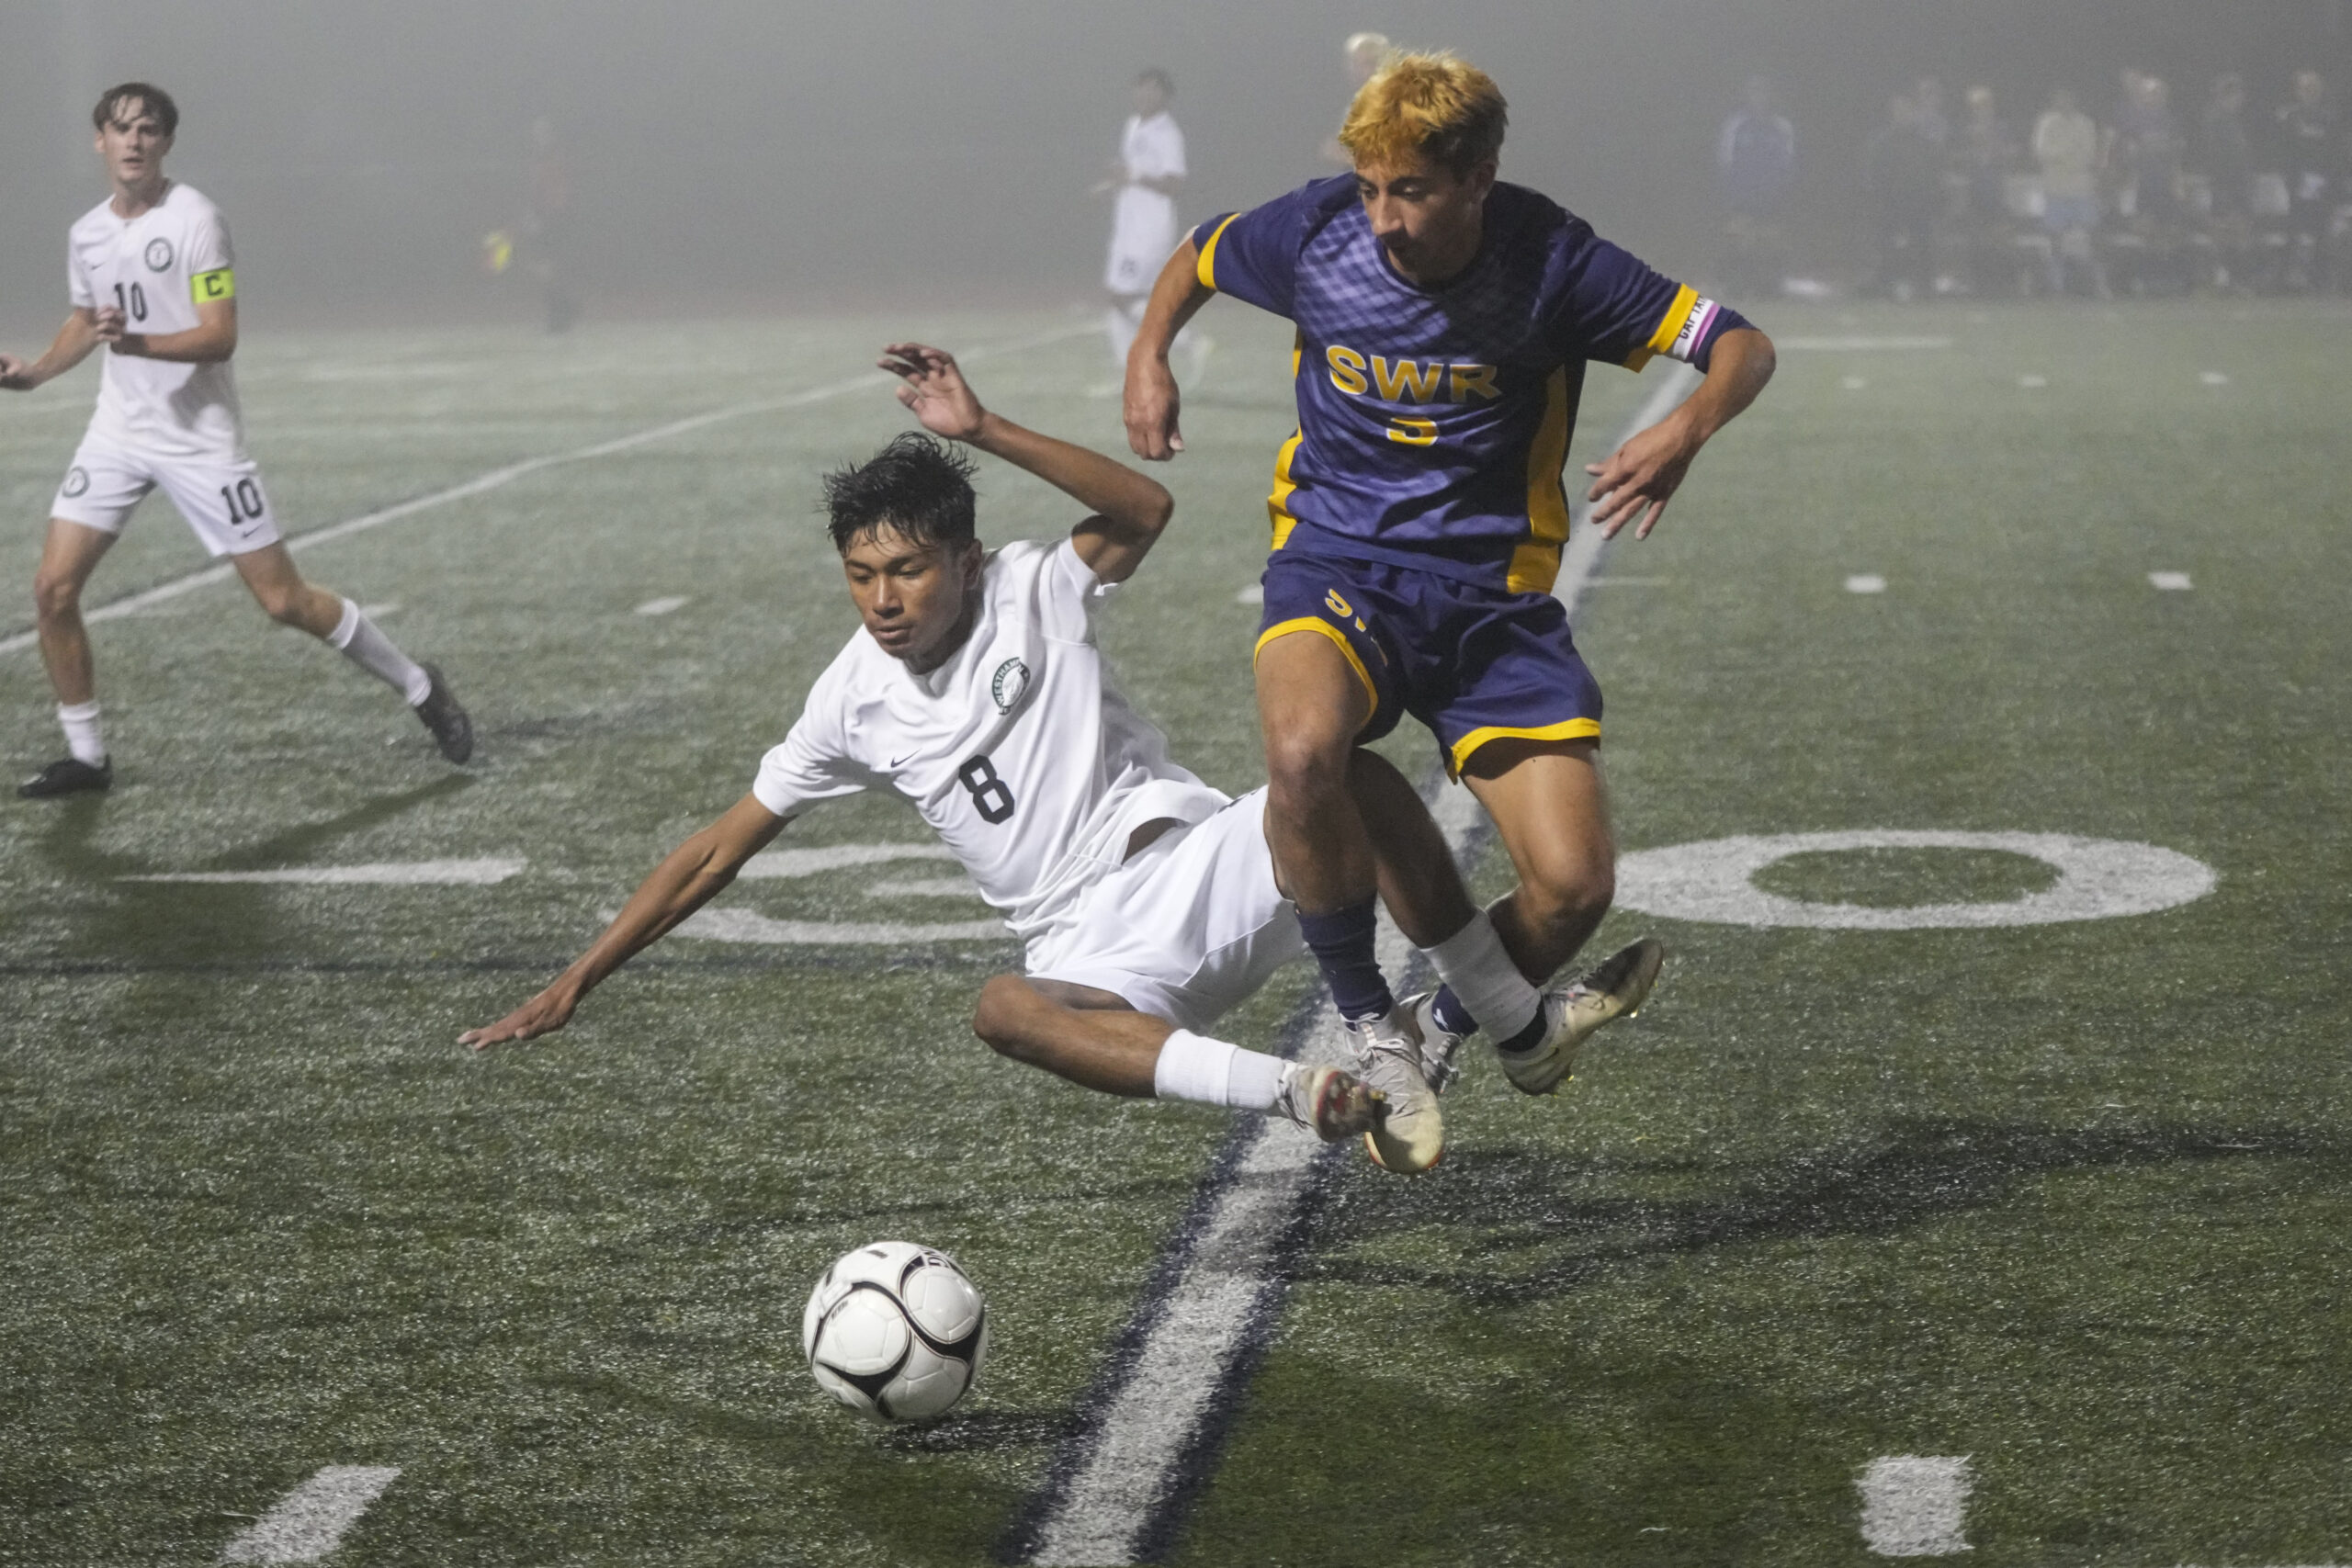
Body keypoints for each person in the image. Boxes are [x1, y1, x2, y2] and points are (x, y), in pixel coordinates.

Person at [463, 344, 1500, 1172]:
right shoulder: (849, 700)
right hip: (1098, 960)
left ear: (966, 560)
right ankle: (1295, 1091)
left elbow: (1147, 507)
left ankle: (1467, 1009)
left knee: (1339, 771)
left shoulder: (1033, 586)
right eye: (860, 574)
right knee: (1001, 1006)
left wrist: (984, 427)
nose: (881, 600)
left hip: (1203, 869)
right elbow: (713, 853)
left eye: (907, 570)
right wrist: (577, 980)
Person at [1121, 53, 1775, 1171]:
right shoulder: (1319, 231)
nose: (1382, 218)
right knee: (1304, 752)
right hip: (1339, 565)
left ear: (1479, 176)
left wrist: (1684, 428)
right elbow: (1202, 251)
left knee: (1574, 888)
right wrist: (1149, 353)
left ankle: (1449, 1026)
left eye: (1410, 190)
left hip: (1493, 608)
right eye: (1370, 186)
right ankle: (1372, 1027)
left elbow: (1739, 344)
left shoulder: (1554, 260)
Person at [0, 84, 470, 799]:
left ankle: (418, 684)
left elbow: (220, 336)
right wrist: (35, 372)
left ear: (166, 143)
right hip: (118, 433)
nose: (133, 142)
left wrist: (142, 341)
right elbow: (86, 321)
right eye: (120, 129)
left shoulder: (198, 221)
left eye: (148, 130)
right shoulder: (87, 233)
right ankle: (88, 758)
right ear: (99, 139)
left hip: (201, 442)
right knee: (52, 589)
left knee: (283, 602)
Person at [1098, 70, 1197, 378]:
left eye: (1152, 91)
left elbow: (1174, 183)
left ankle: (1189, 341)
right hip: (1127, 225)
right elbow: (1134, 172)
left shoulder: (1168, 134)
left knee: (1121, 297)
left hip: (1149, 228)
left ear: (1166, 97)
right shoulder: (1133, 125)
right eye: (1140, 89)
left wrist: (1132, 175)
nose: (1143, 96)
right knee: (1120, 297)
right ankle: (1128, 376)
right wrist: (1114, 184)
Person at [1715, 75, 1796, 299]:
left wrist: (1780, 193)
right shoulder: (1736, 125)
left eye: (1764, 93)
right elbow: (1726, 162)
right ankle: (1737, 284)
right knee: (1741, 240)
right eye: (1755, 93)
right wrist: (1732, 195)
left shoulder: (1781, 126)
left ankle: (1769, 285)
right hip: (1742, 196)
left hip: (1771, 197)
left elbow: (1787, 163)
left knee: (1770, 242)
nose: (1759, 98)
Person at [2032, 86, 2108, 297]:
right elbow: (2042, 152)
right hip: (2055, 188)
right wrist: (2067, 151)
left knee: (2093, 233)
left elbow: (2088, 154)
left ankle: (2098, 281)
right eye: (2060, 98)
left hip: (2081, 188)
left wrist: (2061, 155)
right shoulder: (2046, 123)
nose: (2064, 102)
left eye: (2068, 98)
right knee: (2055, 236)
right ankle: (2057, 283)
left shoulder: (2086, 123)